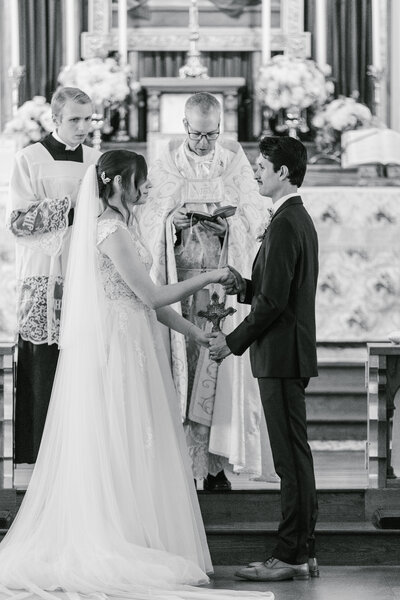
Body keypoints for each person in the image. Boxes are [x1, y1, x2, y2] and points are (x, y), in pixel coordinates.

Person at [0, 149, 274, 600]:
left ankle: (133, 531)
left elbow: (154, 304)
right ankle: (115, 536)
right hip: (118, 346)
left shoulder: (122, 226)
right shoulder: (109, 229)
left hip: (136, 340)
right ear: (117, 183)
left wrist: (195, 331)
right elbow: (149, 293)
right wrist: (209, 277)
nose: (146, 189)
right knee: (121, 434)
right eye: (140, 182)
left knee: (135, 435)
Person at [138, 92, 276, 490]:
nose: (204, 143)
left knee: (219, 368)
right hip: (179, 284)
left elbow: (256, 215)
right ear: (184, 126)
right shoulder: (166, 163)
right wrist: (173, 222)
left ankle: (215, 467)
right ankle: (181, 465)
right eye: (197, 135)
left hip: (221, 285)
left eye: (212, 134)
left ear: (221, 128)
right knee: (182, 369)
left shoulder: (233, 162)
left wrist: (228, 226)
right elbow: (147, 219)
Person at [210, 136, 319, 582]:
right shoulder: (290, 218)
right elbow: (276, 291)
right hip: (285, 351)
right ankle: (302, 550)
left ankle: (290, 554)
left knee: (290, 461)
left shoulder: (288, 222)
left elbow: (274, 304)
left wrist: (230, 342)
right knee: (294, 456)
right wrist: (245, 287)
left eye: (263, 165)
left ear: (283, 173)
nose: (256, 171)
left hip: (281, 354)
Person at [6, 86, 100, 465]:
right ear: (55, 120)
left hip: (87, 273)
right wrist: (72, 206)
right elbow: (18, 221)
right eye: (74, 119)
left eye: (88, 118)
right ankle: (42, 458)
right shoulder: (29, 159)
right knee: (44, 363)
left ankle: (80, 455)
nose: (83, 127)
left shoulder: (97, 159)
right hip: (45, 274)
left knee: (83, 361)